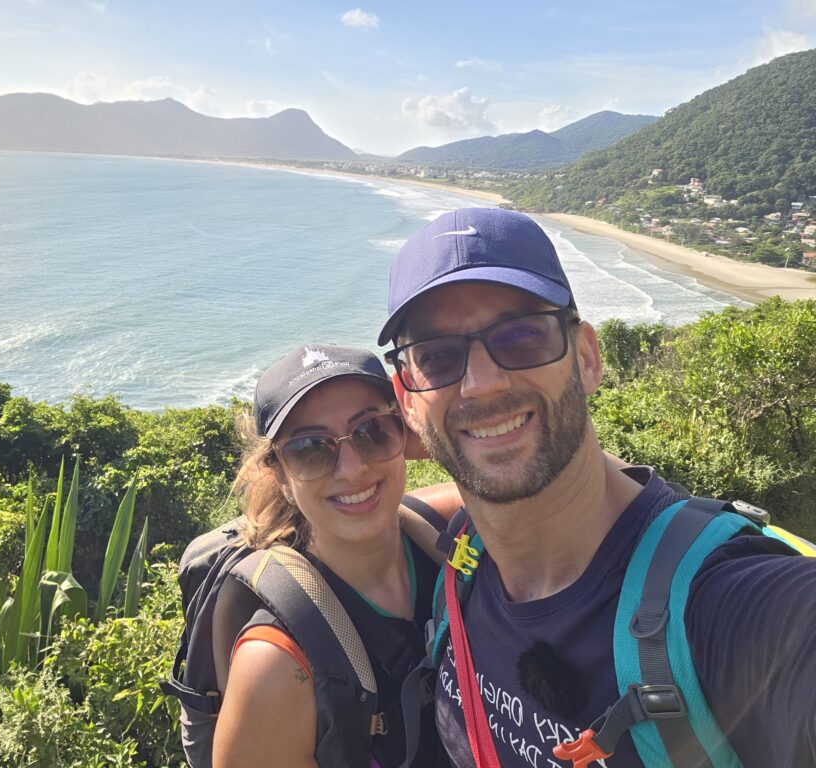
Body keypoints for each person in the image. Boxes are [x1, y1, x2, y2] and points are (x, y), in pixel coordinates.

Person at [378, 207, 816, 767]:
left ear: (585, 357)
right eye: (438, 357)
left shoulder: (725, 603)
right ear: (409, 399)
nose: (482, 383)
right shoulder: (462, 559)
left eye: (521, 337)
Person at [212, 343, 455, 768]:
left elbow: (565, 483)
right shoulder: (272, 667)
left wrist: (440, 432)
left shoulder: (440, 527)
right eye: (310, 448)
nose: (352, 468)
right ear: (281, 477)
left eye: (372, 431)